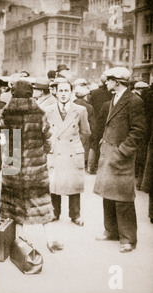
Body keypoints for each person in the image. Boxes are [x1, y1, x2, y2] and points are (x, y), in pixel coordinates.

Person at [0, 80, 63, 253]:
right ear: (30, 94)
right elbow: (48, 136)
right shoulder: (39, 112)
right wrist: (44, 151)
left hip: (13, 162)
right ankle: (51, 240)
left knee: (14, 204)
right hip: (35, 166)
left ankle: (20, 242)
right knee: (42, 202)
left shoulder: (6, 112)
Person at [93, 67, 146, 253]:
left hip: (121, 157)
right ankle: (111, 231)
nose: (105, 83)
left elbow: (138, 131)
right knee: (108, 195)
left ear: (117, 81)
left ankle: (128, 239)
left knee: (123, 199)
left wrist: (123, 151)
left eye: (108, 80)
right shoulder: (112, 100)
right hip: (108, 153)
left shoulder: (134, 101)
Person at [43, 80, 91, 227]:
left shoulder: (80, 110)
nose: (63, 94)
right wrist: (50, 144)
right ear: (55, 93)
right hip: (55, 150)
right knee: (54, 183)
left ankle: (75, 215)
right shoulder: (47, 110)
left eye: (66, 91)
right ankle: (54, 213)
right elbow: (43, 131)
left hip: (72, 151)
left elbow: (86, 132)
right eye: (61, 91)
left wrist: (76, 147)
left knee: (74, 184)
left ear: (71, 93)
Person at [88, 74, 113, 174]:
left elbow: (91, 105)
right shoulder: (111, 94)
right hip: (108, 120)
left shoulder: (94, 93)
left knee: (94, 144)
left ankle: (91, 167)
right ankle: (102, 166)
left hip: (96, 120)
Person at [73, 85, 95, 169]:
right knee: (83, 148)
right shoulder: (89, 107)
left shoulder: (71, 104)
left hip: (73, 130)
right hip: (84, 131)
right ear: (85, 96)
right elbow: (92, 122)